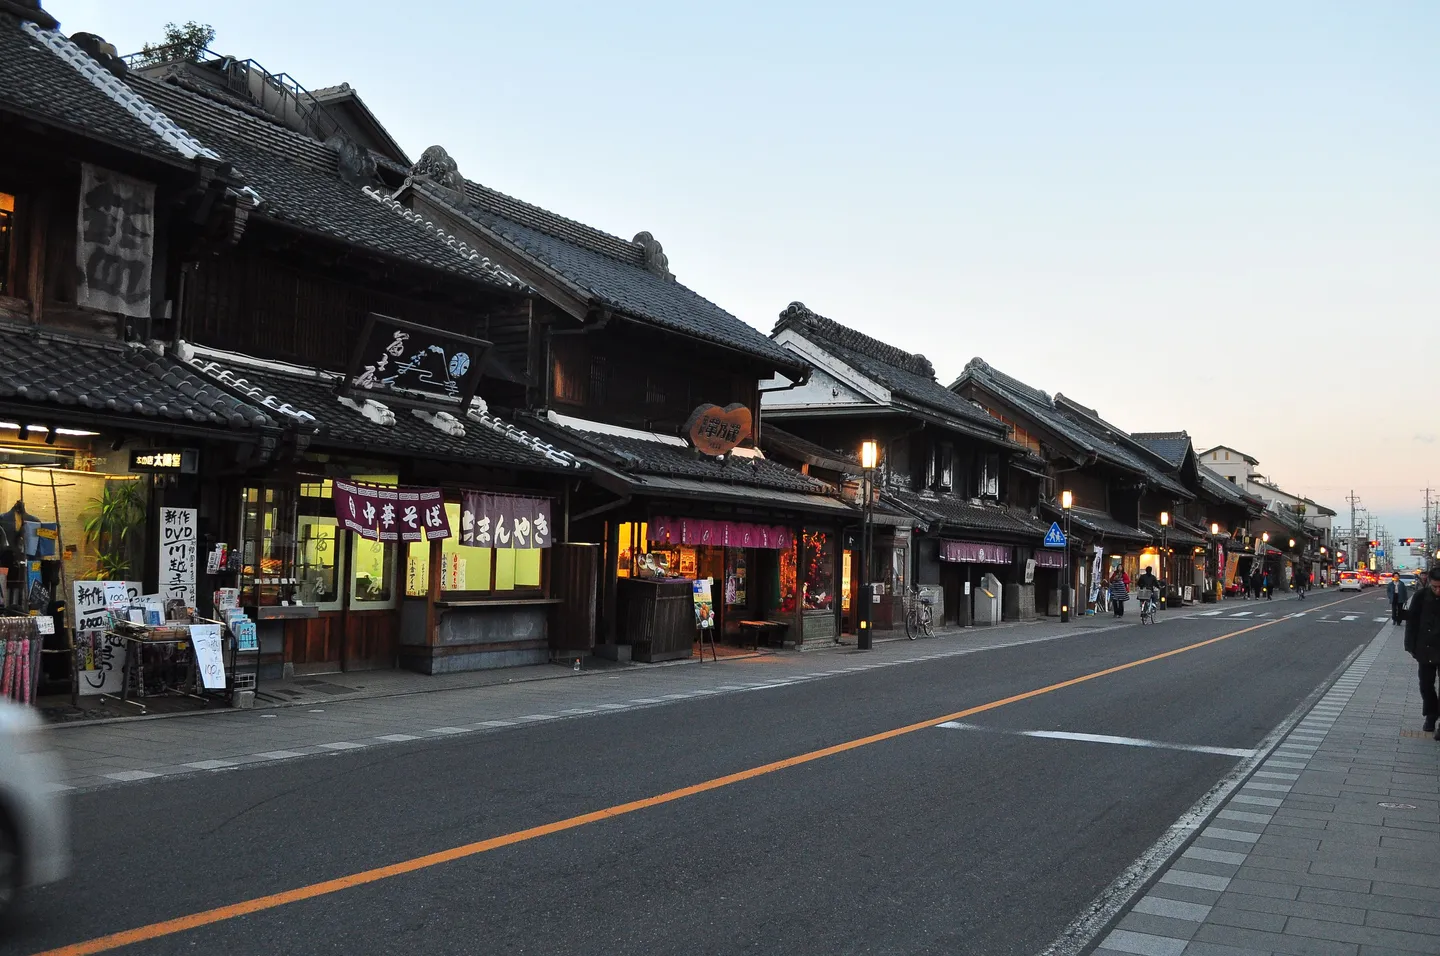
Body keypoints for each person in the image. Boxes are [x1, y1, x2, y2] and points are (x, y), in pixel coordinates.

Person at [1403, 565, 1440, 737]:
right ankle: (1431, 715)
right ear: (1429, 583)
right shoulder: (1420, 596)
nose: (1438, 590)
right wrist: (1410, 646)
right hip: (1425, 648)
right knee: (1426, 685)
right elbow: (1412, 622)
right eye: (1435, 587)